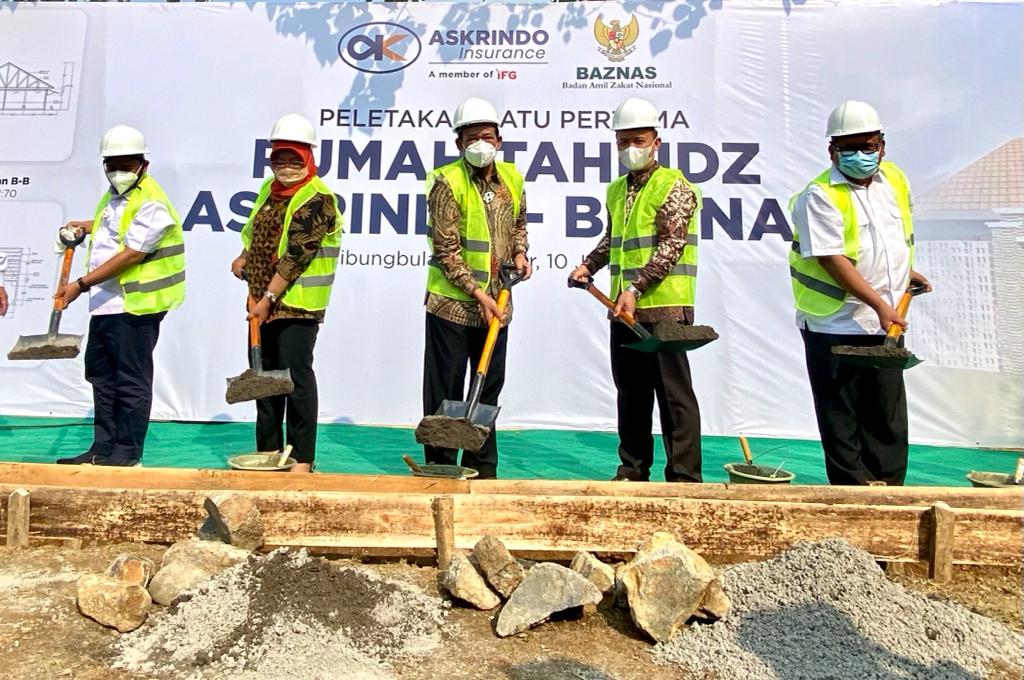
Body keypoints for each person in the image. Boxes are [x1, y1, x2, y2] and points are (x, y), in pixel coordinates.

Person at [788, 100, 931, 486]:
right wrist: (880, 303)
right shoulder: (819, 195)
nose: (859, 156)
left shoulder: (894, 180)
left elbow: (888, 241)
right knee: (843, 420)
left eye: (867, 147)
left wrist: (904, 274)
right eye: (848, 148)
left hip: (885, 325)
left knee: (886, 418)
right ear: (831, 151)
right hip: (834, 324)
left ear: (882, 145)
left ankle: (889, 498)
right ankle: (853, 500)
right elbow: (832, 259)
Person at [569, 97, 703, 483]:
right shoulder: (616, 191)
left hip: (664, 309)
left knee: (674, 397)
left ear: (656, 142)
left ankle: (683, 476)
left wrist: (637, 288)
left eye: (639, 140)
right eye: (624, 141)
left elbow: (671, 246)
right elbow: (613, 240)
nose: (632, 149)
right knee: (631, 395)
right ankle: (632, 468)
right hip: (623, 311)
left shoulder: (675, 187)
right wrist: (588, 265)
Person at [55, 125, 185, 467]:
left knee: (129, 378)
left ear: (143, 164)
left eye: (126, 164)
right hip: (107, 305)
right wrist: (86, 226)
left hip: (136, 307)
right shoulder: (115, 196)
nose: (118, 171)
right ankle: (102, 447)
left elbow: (131, 254)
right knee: (101, 375)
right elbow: (111, 225)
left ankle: (127, 452)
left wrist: (80, 285)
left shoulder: (152, 202)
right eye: (112, 164)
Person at [421, 97, 532, 479]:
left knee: (487, 392)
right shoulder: (445, 182)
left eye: (486, 136)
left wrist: (520, 255)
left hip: (498, 308)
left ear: (499, 140)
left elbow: (519, 226)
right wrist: (478, 293)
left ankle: (482, 470)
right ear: (459, 144)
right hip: (453, 306)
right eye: (472, 138)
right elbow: (446, 249)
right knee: (447, 393)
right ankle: (440, 466)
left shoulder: (513, 180)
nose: (480, 144)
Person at [230, 114, 342, 474]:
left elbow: (297, 255)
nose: (287, 167)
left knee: (294, 379)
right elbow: (254, 231)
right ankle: (269, 451)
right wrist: (244, 258)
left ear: (309, 158)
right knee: (265, 378)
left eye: (295, 159)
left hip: (296, 305)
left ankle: (301, 458)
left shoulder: (318, 198)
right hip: (260, 300)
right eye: (280, 158)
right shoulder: (269, 189)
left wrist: (268, 299)